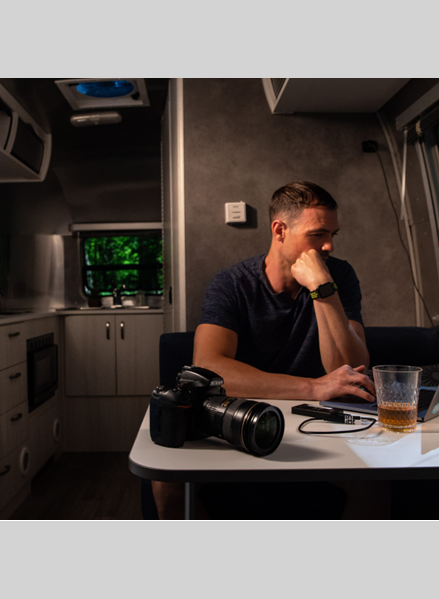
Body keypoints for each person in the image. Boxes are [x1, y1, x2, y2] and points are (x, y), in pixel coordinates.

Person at [152, 181, 385, 520]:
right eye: (318, 234)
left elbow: (350, 367)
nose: (329, 245)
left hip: (316, 422)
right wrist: (313, 387)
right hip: (243, 416)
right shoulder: (231, 284)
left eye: (333, 234)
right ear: (279, 230)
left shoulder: (338, 275)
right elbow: (209, 366)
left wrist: (322, 289)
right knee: (167, 484)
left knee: (377, 482)